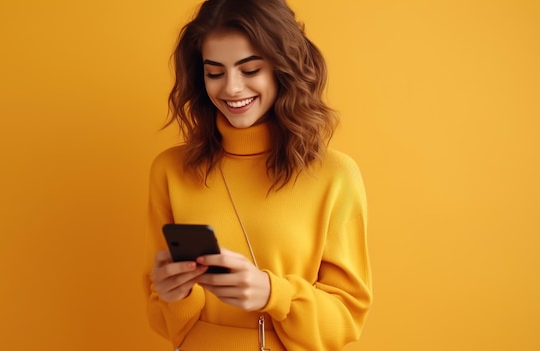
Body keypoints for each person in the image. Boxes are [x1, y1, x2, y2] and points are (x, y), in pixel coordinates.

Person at [142, 0, 372, 349]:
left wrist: (271, 292)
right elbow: (163, 320)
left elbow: (346, 320)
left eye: (250, 70)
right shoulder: (171, 170)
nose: (231, 88)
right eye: (214, 72)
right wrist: (175, 294)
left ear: (284, 69)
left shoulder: (334, 175)